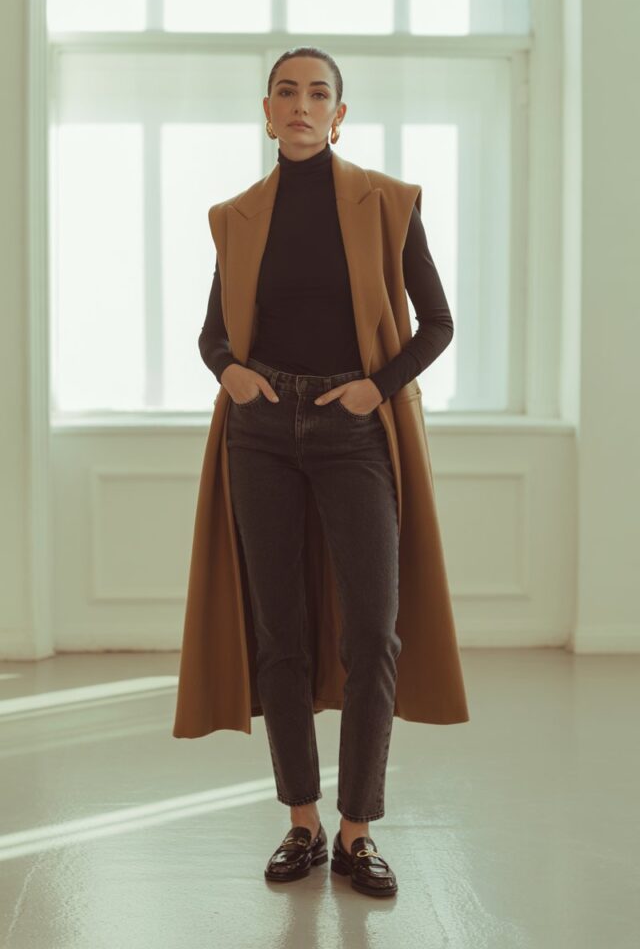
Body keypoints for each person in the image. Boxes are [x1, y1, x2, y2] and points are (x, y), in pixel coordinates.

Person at [193, 46, 459, 897]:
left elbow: (437, 323)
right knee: (280, 632)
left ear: (339, 114)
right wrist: (230, 373)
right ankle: (302, 822)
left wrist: (371, 391)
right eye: (286, 92)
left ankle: (357, 832)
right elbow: (213, 335)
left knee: (372, 633)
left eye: (319, 94)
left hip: (353, 432)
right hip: (261, 431)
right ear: (265, 110)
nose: (302, 106)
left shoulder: (388, 200)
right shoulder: (236, 215)